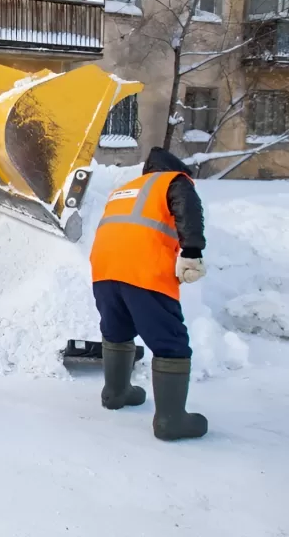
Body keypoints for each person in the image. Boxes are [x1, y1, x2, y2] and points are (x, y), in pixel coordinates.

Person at [89, 147, 208, 441]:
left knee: (116, 330)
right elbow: (186, 208)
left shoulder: (125, 190)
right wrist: (192, 252)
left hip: (104, 269)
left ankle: (115, 393)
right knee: (170, 341)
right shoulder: (173, 181)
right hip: (144, 270)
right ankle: (171, 420)